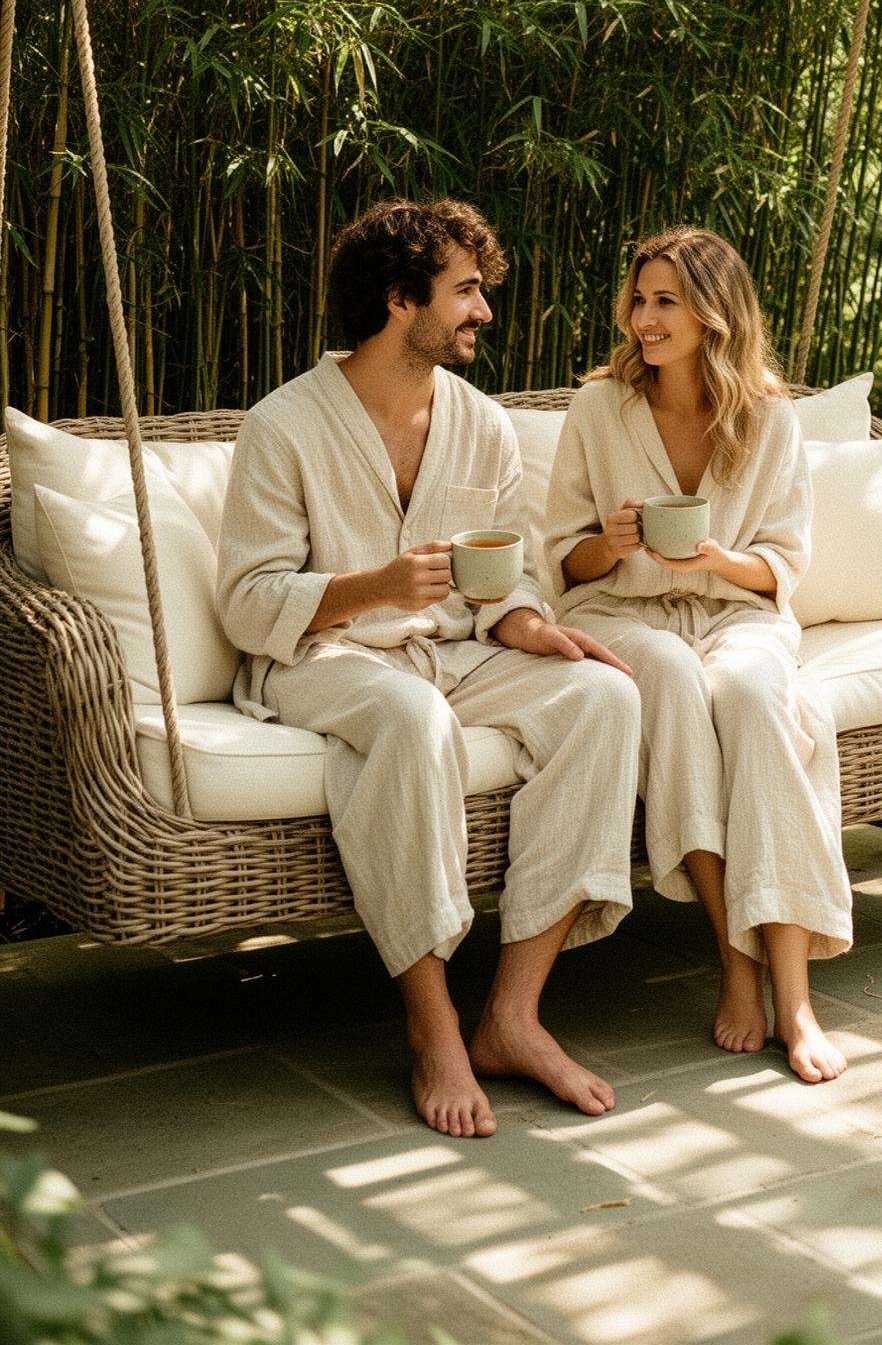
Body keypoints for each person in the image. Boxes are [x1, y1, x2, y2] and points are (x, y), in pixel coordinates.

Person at [216, 198, 641, 1138]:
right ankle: (434, 1025)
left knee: (604, 696)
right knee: (413, 719)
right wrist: (373, 587)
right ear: (400, 301)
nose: (484, 310)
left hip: (454, 651)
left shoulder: (482, 425)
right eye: (466, 292)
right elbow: (248, 604)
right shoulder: (282, 426)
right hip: (320, 659)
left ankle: (514, 1016)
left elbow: (507, 578)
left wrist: (530, 624)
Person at [544, 228, 852, 1084]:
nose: (644, 318)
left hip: (734, 613)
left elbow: (782, 565)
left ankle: (793, 997)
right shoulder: (598, 408)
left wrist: (713, 558)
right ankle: (735, 964)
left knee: (757, 700)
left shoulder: (769, 415)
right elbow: (561, 559)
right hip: (621, 609)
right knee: (672, 685)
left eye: (665, 301)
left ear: (714, 313)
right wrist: (607, 544)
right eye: (639, 300)